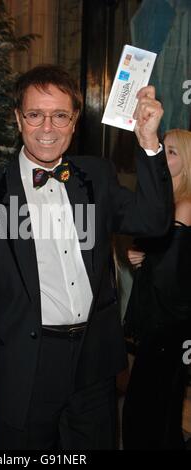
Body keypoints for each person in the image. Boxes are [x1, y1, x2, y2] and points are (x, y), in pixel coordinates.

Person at [0, 64, 173, 450]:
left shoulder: (96, 177)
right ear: (18, 119)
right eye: (35, 115)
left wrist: (148, 142)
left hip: (93, 361)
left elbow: (153, 222)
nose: (47, 128)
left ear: (73, 122)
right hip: (26, 362)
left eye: (59, 115)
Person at [122, 129, 191, 450]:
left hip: (168, 328)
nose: (165, 156)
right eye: (165, 149)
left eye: (174, 152)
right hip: (159, 324)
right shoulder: (169, 202)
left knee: (151, 414)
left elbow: (171, 277)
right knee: (151, 411)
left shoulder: (185, 206)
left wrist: (145, 261)